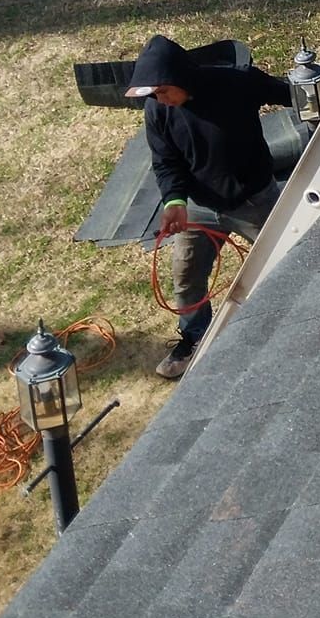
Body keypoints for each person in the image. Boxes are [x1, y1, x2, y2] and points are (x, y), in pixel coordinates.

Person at [125, 35, 292, 379]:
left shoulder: (235, 83)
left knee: (286, 263)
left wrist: (317, 97)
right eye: (155, 96)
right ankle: (195, 337)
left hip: (254, 201)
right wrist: (175, 201)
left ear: (180, 80)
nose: (161, 101)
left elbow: (291, 94)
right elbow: (166, 161)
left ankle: (291, 328)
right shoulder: (158, 110)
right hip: (200, 209)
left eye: (164, 92)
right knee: (186, 274)